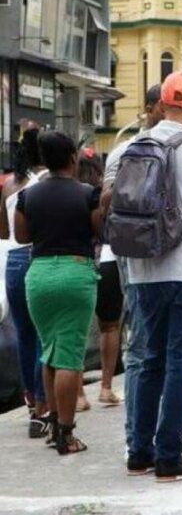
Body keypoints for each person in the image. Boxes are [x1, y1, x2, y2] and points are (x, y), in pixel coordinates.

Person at [104, 84, 182, 460]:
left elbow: (107, 206)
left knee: (147, 361)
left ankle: (138, 451)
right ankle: (169, 456)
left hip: (140, 274)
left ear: (159, 105)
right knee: (180, 365)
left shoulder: (124, 150)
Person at [15, 131, 104, 454]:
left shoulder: (28, 195)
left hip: (37, 275)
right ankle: (66, 435)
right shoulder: (87, 193)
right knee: (69, 355)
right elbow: (99, 229)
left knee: (49, 350)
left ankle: (54, 425)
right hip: (74, 273)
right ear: (72, 159)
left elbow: (21, 235)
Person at [0, 126, 48, 437]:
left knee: (25, 336)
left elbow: (3, 232)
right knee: (44, 334)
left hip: (13, 262)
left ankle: (31, 401)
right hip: (37, 256)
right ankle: (43, 405)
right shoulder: (43, 182)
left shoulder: (7, 185)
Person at [77, 149, 123, 407]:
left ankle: (79, 394)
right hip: (108, 259)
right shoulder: (100, 195)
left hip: (79, 261)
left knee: (77, 329)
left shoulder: (71, 194)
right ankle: (106, 387)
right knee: (110, 325)